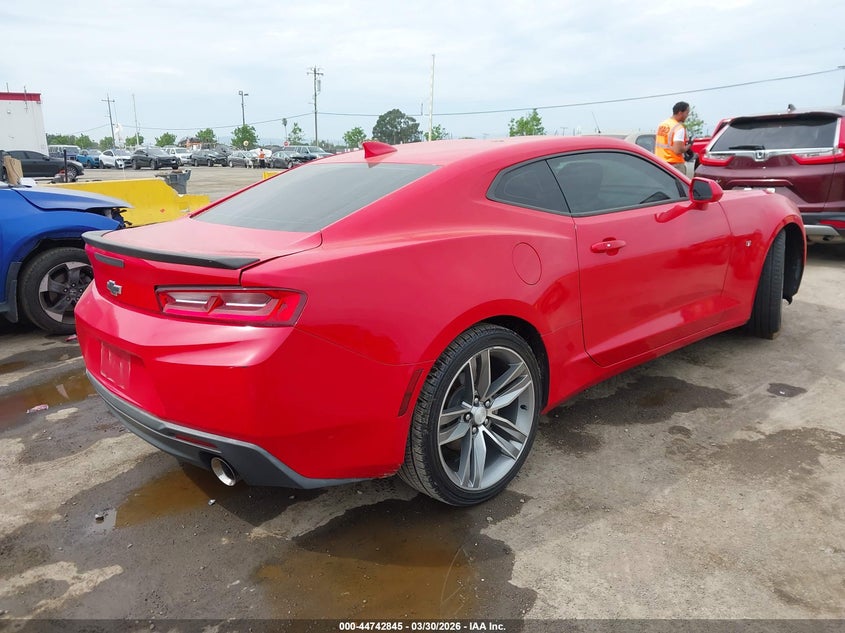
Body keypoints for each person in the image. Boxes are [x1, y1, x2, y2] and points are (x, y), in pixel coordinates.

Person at [655, 101, 693, 176]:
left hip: (660, 163)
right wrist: (689, 146)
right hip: (675, 165)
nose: (687, 115)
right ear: (680, 113)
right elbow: (677, 150)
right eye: (686, 113)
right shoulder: (678, 128)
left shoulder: (662, 124)